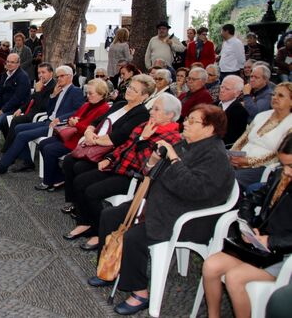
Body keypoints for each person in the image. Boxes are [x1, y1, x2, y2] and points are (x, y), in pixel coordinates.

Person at [88, 104, 235, 315]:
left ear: (209, 128)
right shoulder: (186, 144)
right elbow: (148, 172)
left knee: (134, 236)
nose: (185, 123)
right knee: (110, 215)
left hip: (187, 215)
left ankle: (139, 292)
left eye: (192, 121)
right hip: (160, 201)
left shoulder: (215, 156)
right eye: (188, 119)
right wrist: (154, 160)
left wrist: (173, 158)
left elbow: (193, 190)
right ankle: (109, 266)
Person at [64, 94, 182, 252]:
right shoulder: (147, 124)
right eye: (152, 108)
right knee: (79, 181)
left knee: (92, 192)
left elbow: (145, 164)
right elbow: (126, 145)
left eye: (156, 109)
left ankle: (100, 232)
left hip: (133, 176)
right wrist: (109, 157)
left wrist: (143, 138)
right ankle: (85, 222)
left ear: (170, 115)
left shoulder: (170, 137)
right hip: (119, 167)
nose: (151, 112)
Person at [202, 133, 292, 318]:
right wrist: (248, 224)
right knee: (211, 266)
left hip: (284, 257)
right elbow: (251, 198)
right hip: (261, 249)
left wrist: (272, 241)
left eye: (291, 166)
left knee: (235, 278)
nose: (287, 171)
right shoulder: (279, 175)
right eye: (284, 165)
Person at [61, 75, 154, 216]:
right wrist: (89, 132)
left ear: (144, 96)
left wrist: (95, 140)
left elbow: (120, 136)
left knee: (79, 167)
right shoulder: (120, 104)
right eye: (129, 87)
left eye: (134, 90)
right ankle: (75, 202)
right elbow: (96, 122)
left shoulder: (141, 114)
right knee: (68, 161)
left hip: (110, 151)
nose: (129, 90)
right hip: (94, 143)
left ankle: (84, 210)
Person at [0, 65, 83, 174]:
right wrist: (53, 95)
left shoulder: (75, 91)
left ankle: (2, 166)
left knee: (22, 135)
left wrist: (60, 118)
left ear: (70, 77)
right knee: (18, 128)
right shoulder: (59, 89)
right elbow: (50, 111)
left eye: (62, 76)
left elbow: (78, 111)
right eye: (58, 76)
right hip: (47, 121)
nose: (59, 78)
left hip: (56, 126)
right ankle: (27, 162)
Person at [37, 79, 111, 192]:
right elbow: (75, 116)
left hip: (80, 140)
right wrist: (72, 120)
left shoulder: (104, 109)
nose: (88, 96)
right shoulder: (87, 104)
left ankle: (49, 181)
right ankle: (58, 177)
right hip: (70, 135)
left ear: (101, 94)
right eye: (87, 93)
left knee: (49, 150)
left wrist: (77, 123)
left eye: (91, 93)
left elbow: (94, 130)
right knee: (43, 144)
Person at [230, 82, 292, 190]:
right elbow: (243, 138)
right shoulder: (262, 115)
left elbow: (278, 155)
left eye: (280, 95)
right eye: (273, 94)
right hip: (239, 160)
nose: (275, 98)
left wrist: (248, 161)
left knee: (228, 180)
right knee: (212, 169)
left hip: (264, 168)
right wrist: (232, 154)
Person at [1, 63, 56, 152]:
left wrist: (38, 91)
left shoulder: (53, 86)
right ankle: (16, 148)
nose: (40, 75)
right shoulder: (41, 83)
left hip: (38, 115)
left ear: (51, 73)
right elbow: (31, 99)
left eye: (43, 72)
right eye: (39, 73)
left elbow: (43, 107)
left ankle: (7, 149)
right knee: (6, 121)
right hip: (30, 111)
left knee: (15, 121)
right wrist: (21, 109)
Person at [219, 75, 249, 145]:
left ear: (237, 93)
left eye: (227, 89)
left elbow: (231, 139)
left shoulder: (240, 112)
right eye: (222, 87)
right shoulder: (211, 105)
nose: (222, 90)